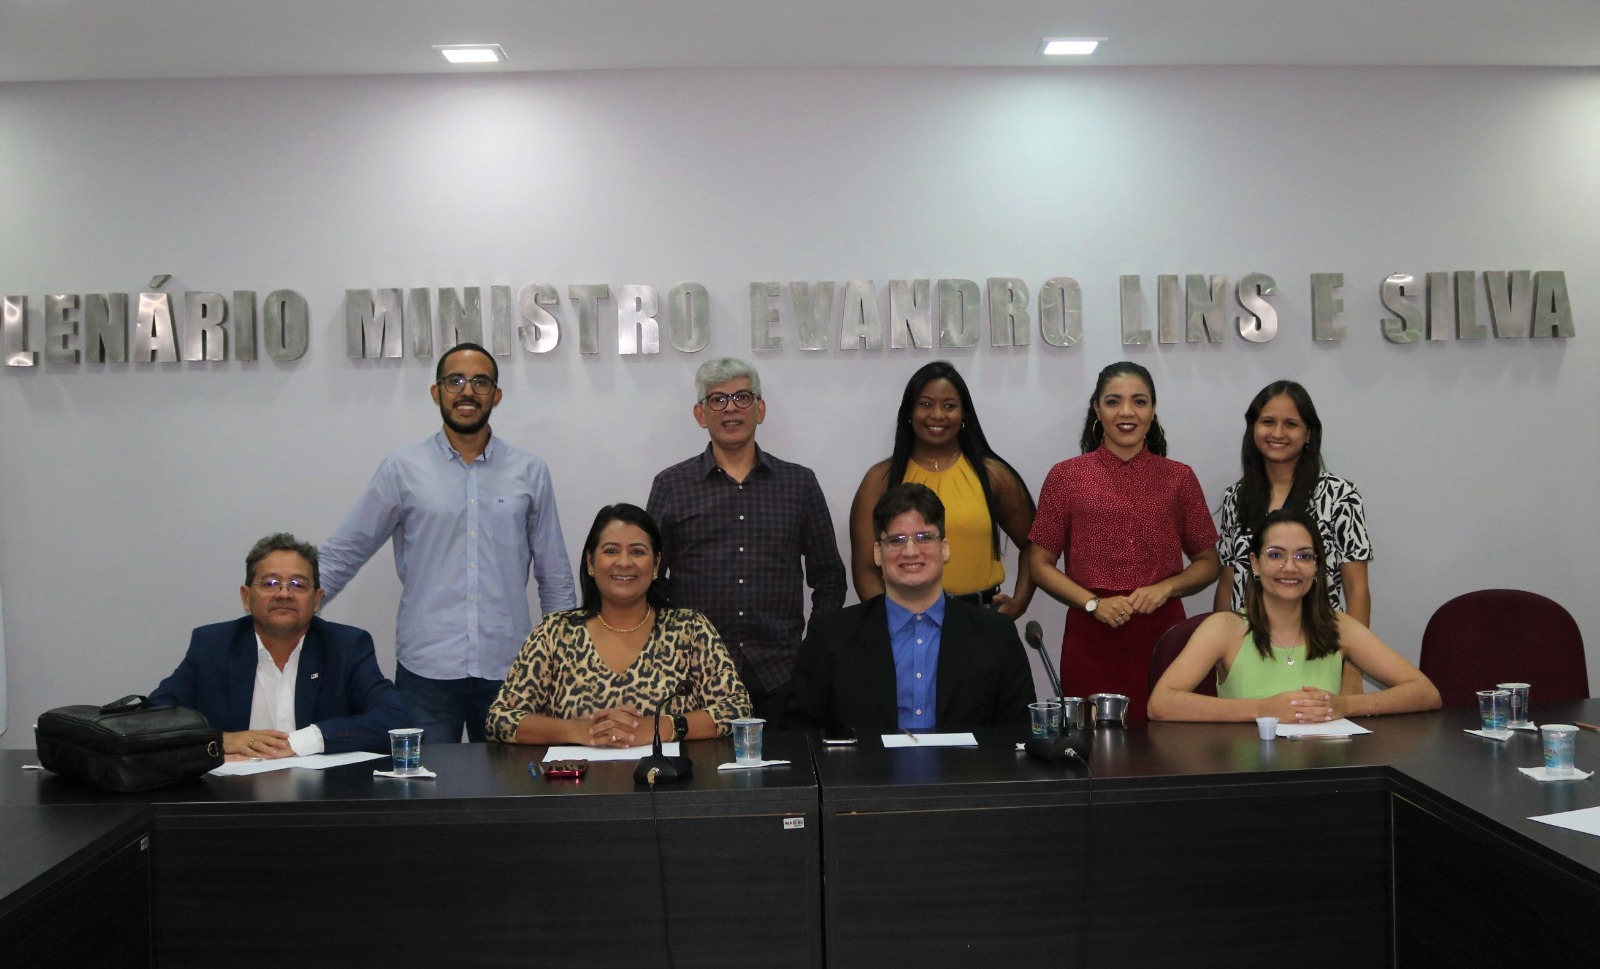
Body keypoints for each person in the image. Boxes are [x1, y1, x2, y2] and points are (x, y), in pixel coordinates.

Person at [317, 343, 576, 746]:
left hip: (511, 670)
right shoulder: (402, 469)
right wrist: (295, 604)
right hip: (426, 671)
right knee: (426, 782)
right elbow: (346, 551)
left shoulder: (530, 471)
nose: (467, 391)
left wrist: (566, 655)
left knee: (513, 784)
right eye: (455, 381)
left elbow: (553, 573)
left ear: (496, 395)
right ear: (436, 392)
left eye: (480, 382)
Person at [647, 357, 846, 721]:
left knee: (787, 760)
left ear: (760, 409)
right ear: (700, 414)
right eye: (717, 399)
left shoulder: (799, 484)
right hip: (694, 675)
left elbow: (829, 577)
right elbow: (650, 577)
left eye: (742, 397)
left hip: (782, 674)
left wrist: (813, 650)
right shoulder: (671, 485)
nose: (731, 409)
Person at [1028, 361, 1220, 724]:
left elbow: (1210, 563)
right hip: (1092, 633)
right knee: (1095, 746)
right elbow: (1038, 564)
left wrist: (1165, 588)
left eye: (1139, 401)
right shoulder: (1066, 477)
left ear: (1153, 409)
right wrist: (1092, 604)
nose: (1127, 412)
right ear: (1097, 409)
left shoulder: (1179, 478)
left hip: (1163, 635)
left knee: (1168, 744)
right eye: (1113, 401)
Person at [485, 504, 750, 747]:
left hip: (671, 782)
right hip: (576, 782)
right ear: (590, 562)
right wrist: (581, 731)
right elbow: (500, 719)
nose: (624, 562)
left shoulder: (690, 630)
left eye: (638, 552)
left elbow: (738, 709)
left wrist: (662, 727)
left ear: (656, 564)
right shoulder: (555, 633)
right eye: (611, 551)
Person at [783, 483, 1034, 736]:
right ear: (878, 553)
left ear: (944, 548)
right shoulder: (831, 636)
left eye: (924, 538)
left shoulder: (996, 635)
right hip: (867, 764)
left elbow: (1019, 736)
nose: (911, 551)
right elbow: (798, 738)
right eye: (896, 540)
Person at [1149, 510, 1439, 722]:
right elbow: (1161, 703)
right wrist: (1262, 710)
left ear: (1316, 568)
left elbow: (1425, 692)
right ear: (1255, 564)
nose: (1290, 567)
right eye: (1275, 555)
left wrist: (1345, 706)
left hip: (1324, 774)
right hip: (1248, 779)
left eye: (1304, 556)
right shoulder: (1225, 627)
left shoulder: (1339, 626)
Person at [149, 533, 409, 759]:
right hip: (231, 794)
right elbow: (152, 719)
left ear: (317, 600)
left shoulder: (346, 647)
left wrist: (305, 741)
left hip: (322, 794)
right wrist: (220, 740)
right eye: (270, 583)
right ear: (246, 597)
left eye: (298, 584)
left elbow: (396, 719)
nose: (284, 594)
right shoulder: (212, 646)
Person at [1213, 381, 1372, 697]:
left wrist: (1353, 669)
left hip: (1318, 647)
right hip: (1247, 650)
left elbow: (1357, 589)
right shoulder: (1236, 498)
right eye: (1268, 422)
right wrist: (1219, 653)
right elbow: (1228, 581)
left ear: (1309, 433)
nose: (1277, 433)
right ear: (1253, 428)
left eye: (1291, 424)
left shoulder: (1341, 496)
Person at [849, 361, 1037, 619]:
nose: (937, 415)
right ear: (909, 412)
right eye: (926, 404)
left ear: (964, 415)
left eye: (949, 406)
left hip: (981, 620)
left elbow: (1034, 543)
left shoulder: (993, 475)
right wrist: (889, 620)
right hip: (904, 620)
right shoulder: (880, 480)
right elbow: (864, 567)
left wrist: (1020, 603)